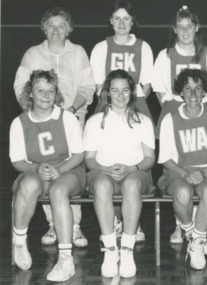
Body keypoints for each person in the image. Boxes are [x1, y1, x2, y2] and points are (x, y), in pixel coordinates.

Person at [13, 7, 95, 248]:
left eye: (61, 25)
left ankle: (75, 226)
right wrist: (35, 115)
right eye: (51, 25)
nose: (56, 30)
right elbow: (20, 88)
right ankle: (53, 224)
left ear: (69, 29)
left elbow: (87, 87)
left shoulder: (78, 52)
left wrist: (68, 113)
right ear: (44, 28)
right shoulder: (31, 54)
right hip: (40, 123)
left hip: (72, 118)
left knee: (70, 171)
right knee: (46, 169)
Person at [10, 70, 86, 282]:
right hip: (37, 169)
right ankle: (19, 241)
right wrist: (36, 169)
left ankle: (65, 259)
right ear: (30, 93)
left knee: (59, 190)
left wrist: (59, 170)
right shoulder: (19, 123)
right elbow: (17, 161)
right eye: (40, 90)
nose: (45, 95)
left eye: (50, 91)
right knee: (28, 185)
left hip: (69, 169)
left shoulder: (68, 118)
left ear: (56, 94)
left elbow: (79, 154)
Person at [152, 4, 207, 244]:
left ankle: (198, 227)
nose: (185, 31)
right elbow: (159, 90)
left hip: (202, 113)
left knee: (201, 165)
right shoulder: (165, 55)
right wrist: (173, 110)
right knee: (177, 171)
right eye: (180, 27)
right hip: (174, 112)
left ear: (196, 28)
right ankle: (182, 224)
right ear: (175, 30)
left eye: (189, 26)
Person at [90, 0, 154, 240]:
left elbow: (145, 86)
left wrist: (128, 109)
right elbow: (99, 86)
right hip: (108, 105)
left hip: (135, 105)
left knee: (134, 167)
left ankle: (131, 223)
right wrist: (113, 107)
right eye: (117, 18)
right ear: (110, 21)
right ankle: (116, 220)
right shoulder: (100, 48)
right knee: (110, 164)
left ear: (132, 21)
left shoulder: (143, 47)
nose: (121, 23)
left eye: (126, 18)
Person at [84, 69, 155, 278]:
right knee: (101, 185)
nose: (121, 95)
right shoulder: (94, 121)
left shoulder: (143, 120)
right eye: (115, 90)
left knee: (131, 185)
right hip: (104, 173)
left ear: (132, 92)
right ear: (107, 93)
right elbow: (89, 160)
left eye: (125, 90)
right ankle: (109, 249)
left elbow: (149, 158)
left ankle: (127, 249)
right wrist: (106, 169)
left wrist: (131, 168)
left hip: (135, 173)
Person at [158, 68, 207, 270]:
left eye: (198, 88)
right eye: (188, 88)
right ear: (181, 93)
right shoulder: (170, 119)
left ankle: (197, 241)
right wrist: (185, 173)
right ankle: (191, 234)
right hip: (178, 170)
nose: (193, 94)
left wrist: (204, 172)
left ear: (205, 91)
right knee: (182, 193)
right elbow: (166, 159)